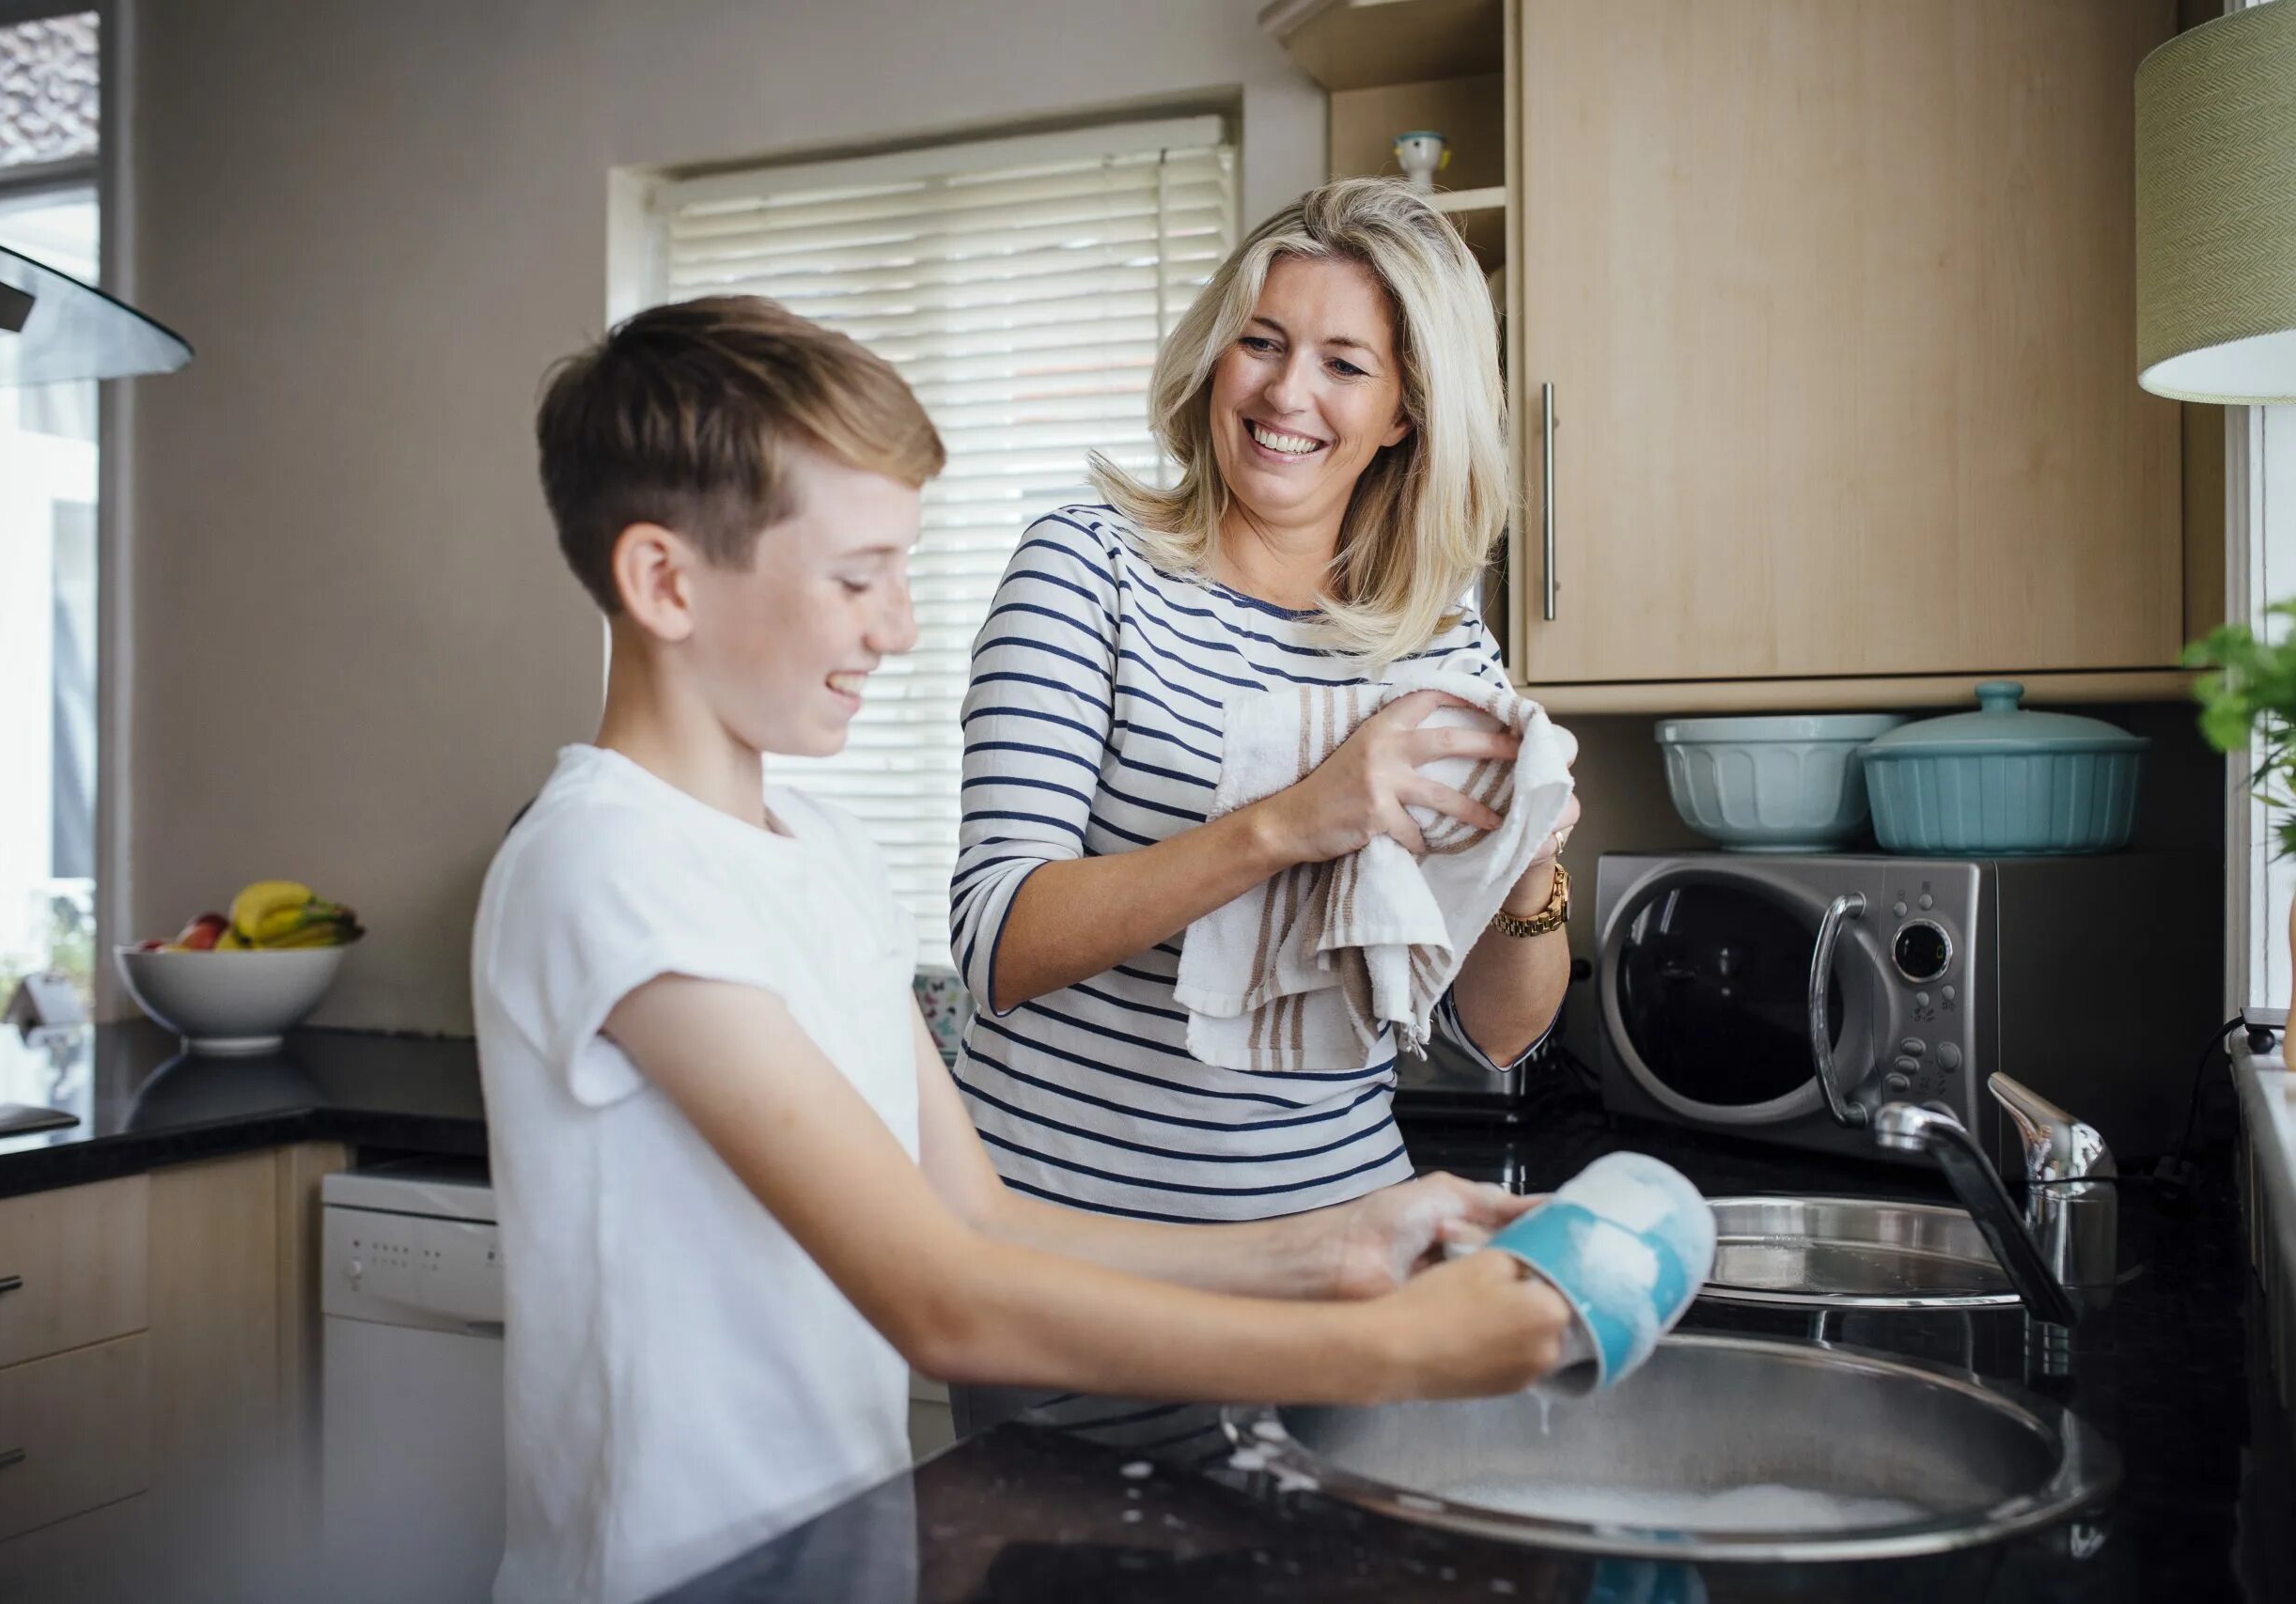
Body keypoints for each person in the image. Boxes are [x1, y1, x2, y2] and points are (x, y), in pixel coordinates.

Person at [472, 294, 1581, 1604]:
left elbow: (977, 1214)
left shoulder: (813, 845)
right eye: (856, 575)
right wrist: (1397, 1353)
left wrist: (1342, 1247)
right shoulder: (608, 863)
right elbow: (943, 1298)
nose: (898, 626)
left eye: (902, 570)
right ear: (663, 580)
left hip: (840, 1555)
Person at [949, 177, 1577, 1228]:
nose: (1286, 395)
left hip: (1339, 1250)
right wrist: (1287, 825)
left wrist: (1530, 871)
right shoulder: (1087, 568)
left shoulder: (1442, 643)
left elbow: (1495, 1035)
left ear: (1403, 413)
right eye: (1261, 342)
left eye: (1343, 365)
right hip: (1071, 1265)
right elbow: (996, 944)